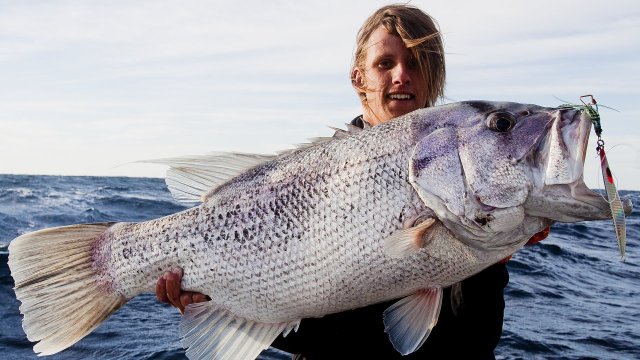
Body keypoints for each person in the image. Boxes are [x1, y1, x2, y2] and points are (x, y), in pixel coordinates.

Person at [156, 4, 549, 359]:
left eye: (417, 62)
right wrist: (217, 299)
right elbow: (309, 338)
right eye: (385, 63)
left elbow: (471, 344)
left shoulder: (468, 180)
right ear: (358, 78)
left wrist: (491, 261)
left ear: (436, 75)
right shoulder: (310, 175)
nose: (401, 76)